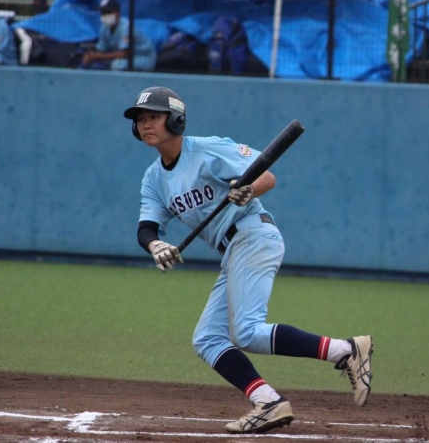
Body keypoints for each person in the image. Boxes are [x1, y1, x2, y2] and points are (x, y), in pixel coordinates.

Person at [123, 86, 373, 434]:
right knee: (208, 339)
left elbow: (267, 176)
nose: (146, 124)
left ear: (176, 120)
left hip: (253, 234)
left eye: (154, 116)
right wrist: (155, 246)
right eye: (140, 119)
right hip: (233, 250)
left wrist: (248, 190)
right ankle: (268, 401)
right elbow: (147, 228)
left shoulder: (208, 149)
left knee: (247, 331)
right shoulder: (153, 178)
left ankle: (345, 351)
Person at [80, 0, 156, 71]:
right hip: (123, 58)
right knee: (97, 64)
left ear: (118, 13)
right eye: (103, 13)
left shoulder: (126, 26)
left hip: (143, 57)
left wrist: (97, 56)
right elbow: (102, 49)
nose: (106, 15)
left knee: (117, 65)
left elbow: (124, 53)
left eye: (109, 12)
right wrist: (90, 55)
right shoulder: (104, 27)